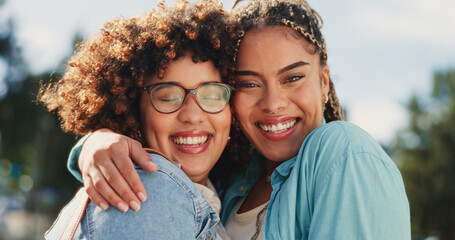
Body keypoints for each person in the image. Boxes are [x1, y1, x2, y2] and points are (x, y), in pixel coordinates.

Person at [65, 0, 411, 239]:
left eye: (292, 78)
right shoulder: (234, 181)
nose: (273, 104)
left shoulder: (344, 155)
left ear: (323, 82)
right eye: (248, 83)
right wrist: (96, 142)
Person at [39, 0, 236, 239]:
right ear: (132, 107)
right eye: (167, 97)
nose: (193, 115)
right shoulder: (148, 193)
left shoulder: (226, 191)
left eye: (213, 94)